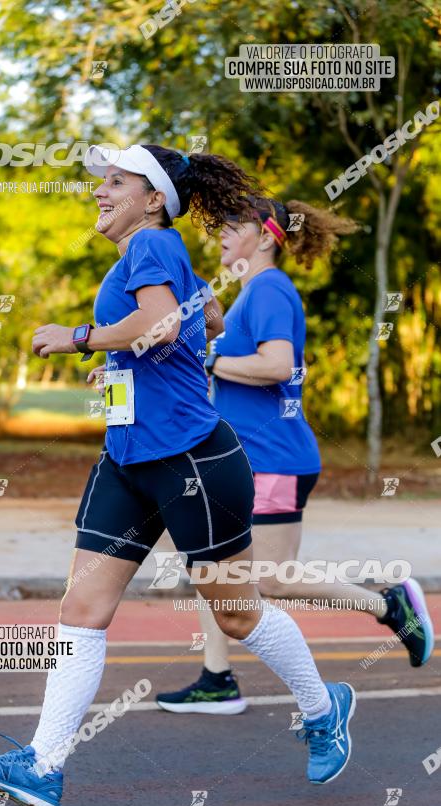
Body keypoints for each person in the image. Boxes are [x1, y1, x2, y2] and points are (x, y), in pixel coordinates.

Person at [0, 145, 357, 806]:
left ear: (153, 199)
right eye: (100, 181)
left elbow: (160, 325)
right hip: (128, 460)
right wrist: (120, 363)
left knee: (234, 611)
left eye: (116, 181)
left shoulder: (152, 246)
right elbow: (196, 326)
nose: (99, 191)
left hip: (192, 461)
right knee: (81, 610)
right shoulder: (146, 257)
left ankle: (323, 711)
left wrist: (83, 335)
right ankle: (44, 767)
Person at [155, 196, 434, 716]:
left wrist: (212, 360)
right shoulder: (246, 297)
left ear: (264, 237)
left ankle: (388, 605)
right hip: (243, 460)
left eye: (233, 225)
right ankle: (216, 679)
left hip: (275, 459)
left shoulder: (269, 289)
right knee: (210, 563)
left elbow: (278, 364)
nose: (220, 233)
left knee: (272, 577)